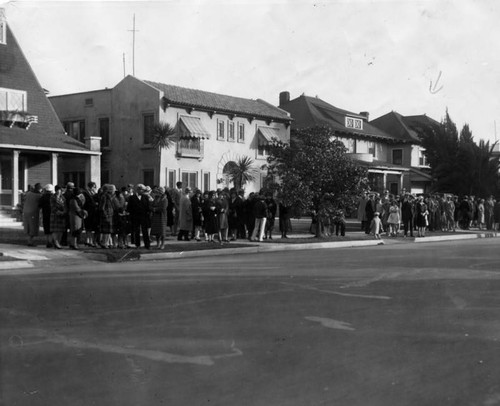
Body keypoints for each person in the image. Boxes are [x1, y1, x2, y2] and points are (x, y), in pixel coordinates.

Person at [127, 184, 152, 249]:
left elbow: (148, 206)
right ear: (137, 190)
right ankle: (137, 244)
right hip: (135, 216)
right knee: (136, 231)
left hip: (144, 216)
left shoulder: (145, 197)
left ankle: (147, 245)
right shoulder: (132, 197)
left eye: (143, 190)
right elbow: (129, 207)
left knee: (145, 231)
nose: (142, 191)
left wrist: (148, 213)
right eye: (140, 189)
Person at [22, 182, 43, 246]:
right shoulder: (39, 195)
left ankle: (29, 241)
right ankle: (30, 242)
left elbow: (24, 200)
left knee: (28, 226)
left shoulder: (28, 193)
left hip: (25, 212)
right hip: (33, 212)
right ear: (39, 189)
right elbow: (41, 204)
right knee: (33, 227)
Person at [50, 185, 67, 249]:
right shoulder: (53, 197)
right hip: (55, 215)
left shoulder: (63, 197)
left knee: (61, 230)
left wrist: (64, 211)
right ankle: (56, 242)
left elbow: (65, 205)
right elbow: (52, 207)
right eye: (58, 190)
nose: (59, 191)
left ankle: (58, 242)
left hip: (62, 215)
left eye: (60, 190)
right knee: (55, 230)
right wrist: (58, 212)